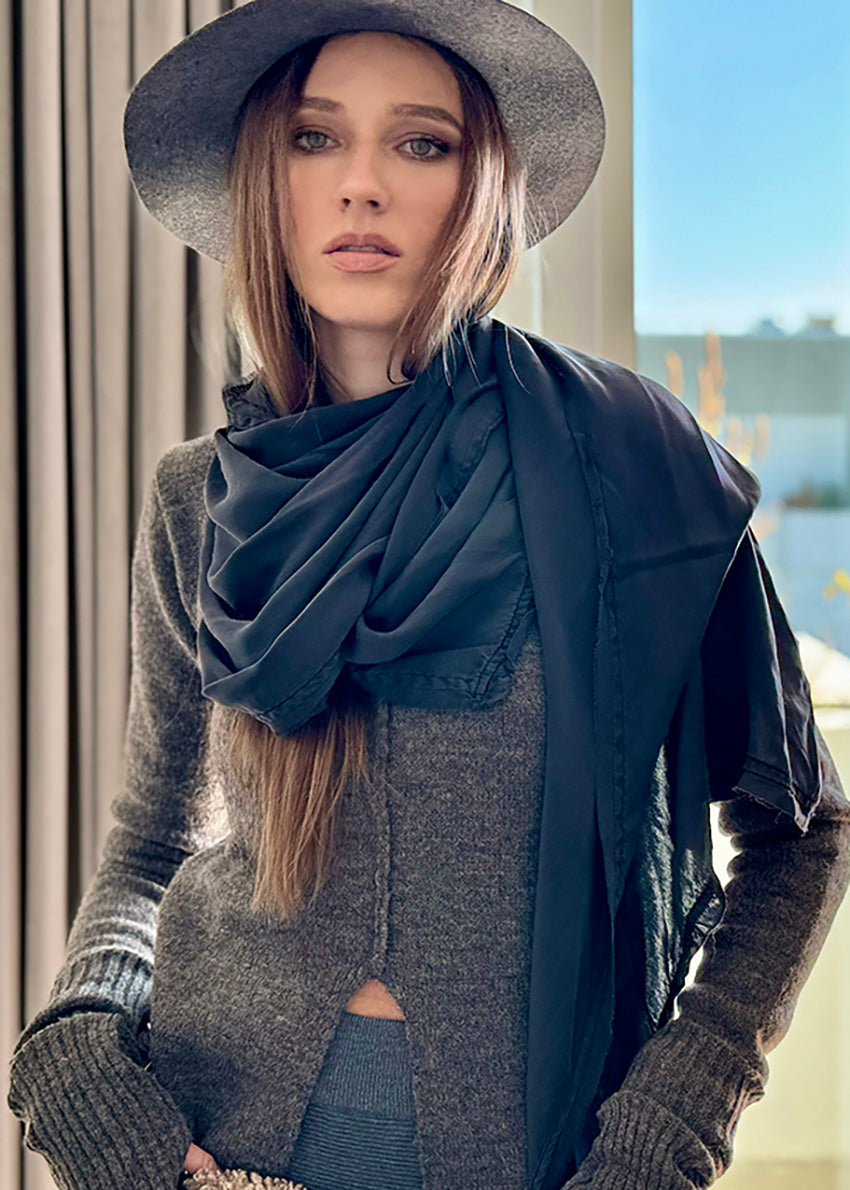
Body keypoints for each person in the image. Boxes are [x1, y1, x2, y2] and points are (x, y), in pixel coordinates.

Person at [7, 2, 850, 1189]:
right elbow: (153, 841)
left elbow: (801, 831)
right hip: (211, 1153)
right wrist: (81, 1033)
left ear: (482, 184)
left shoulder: (634, 470)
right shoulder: (196, 498)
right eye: (314, 139)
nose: (361, 186)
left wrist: (677, 1112)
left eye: (420, 143)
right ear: (264, 182)